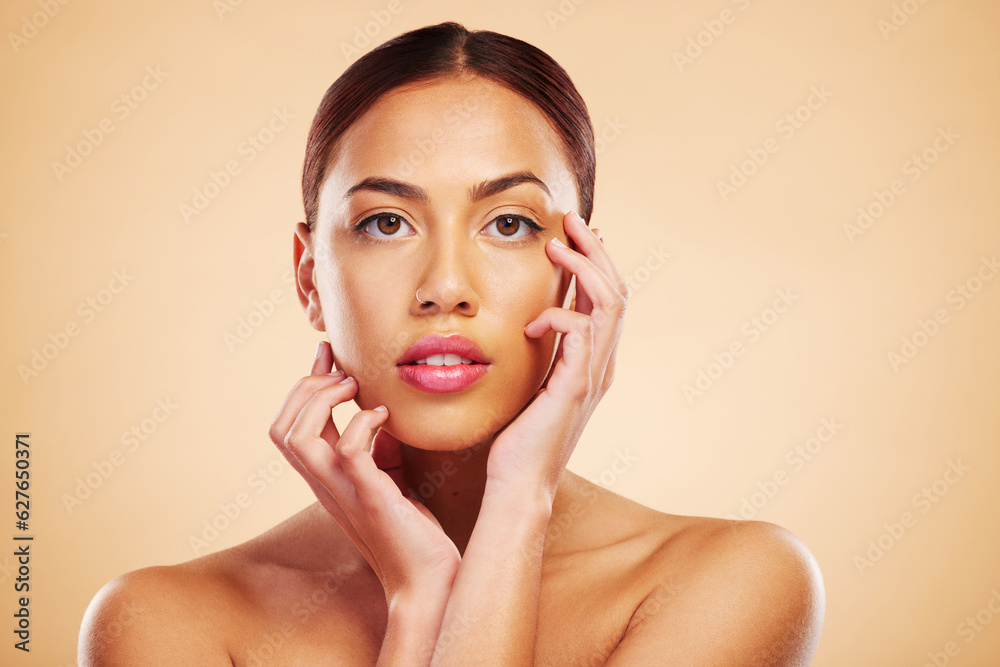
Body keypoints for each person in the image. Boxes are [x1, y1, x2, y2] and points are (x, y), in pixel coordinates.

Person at [79, 21, 824, 665]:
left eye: (509, 223)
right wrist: (420, 596)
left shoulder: (729, 582)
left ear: (581, 276)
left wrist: (517, 501)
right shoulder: (165, 622)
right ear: (309, 278)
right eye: (385, 223)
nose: (444, 286)